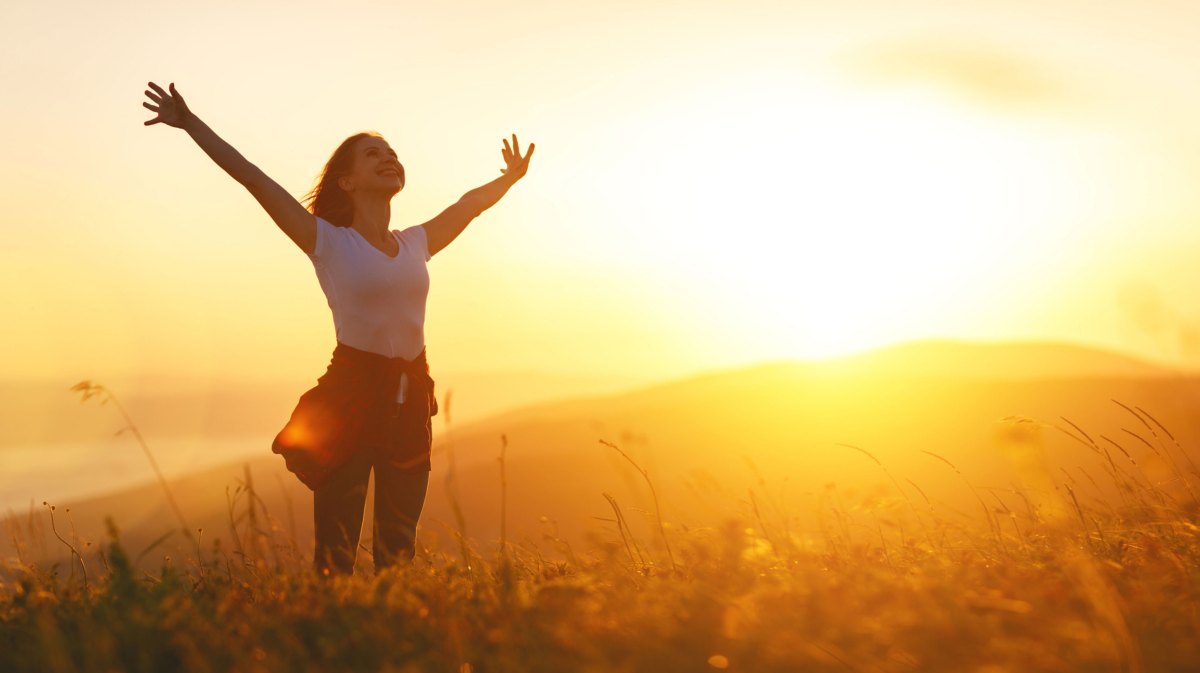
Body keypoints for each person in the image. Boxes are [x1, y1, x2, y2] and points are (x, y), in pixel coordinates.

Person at [141, 81, 534, 576]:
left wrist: (510, 179)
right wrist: (191, 124)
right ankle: (330, 637)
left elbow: (468, 205)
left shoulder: (417, 243)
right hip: (350, 395)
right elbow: (254, 179)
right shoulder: (325, 240)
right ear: (346, 182)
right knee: (337, 550)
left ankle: (390, 636)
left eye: (391, 153)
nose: (388, 158)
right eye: (373, 155)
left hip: (411, 399)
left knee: (398, 547)